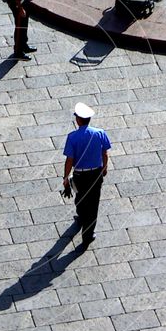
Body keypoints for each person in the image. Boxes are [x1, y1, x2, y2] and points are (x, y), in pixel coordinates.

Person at [62, 103, 111, 247]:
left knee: (80, 198)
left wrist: (66, 177)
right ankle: (88, 235)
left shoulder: (72, 137)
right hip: (96, 174)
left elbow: (69, 160)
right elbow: (105, 152)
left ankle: (82, 217)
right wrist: (104, 168)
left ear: (78, 120)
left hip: (79, 175)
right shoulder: (100, 133)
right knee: (93, 204)